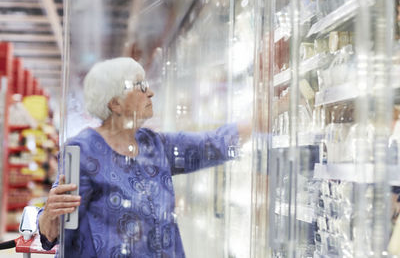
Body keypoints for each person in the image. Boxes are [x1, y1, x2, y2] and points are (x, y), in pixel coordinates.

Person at [38, 57, 251, 257]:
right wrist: (49, 215)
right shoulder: (83, 151)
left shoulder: (153, 144)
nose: (150, 93)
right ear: (115, 103)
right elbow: (55, 229)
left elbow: (213, 145)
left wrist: (263, 116)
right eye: (140, 86)